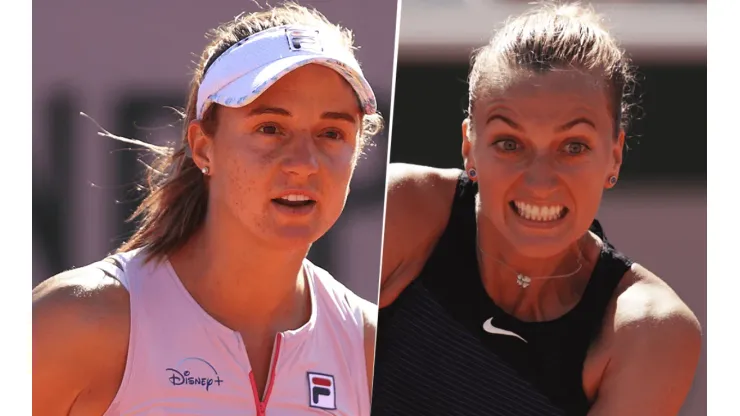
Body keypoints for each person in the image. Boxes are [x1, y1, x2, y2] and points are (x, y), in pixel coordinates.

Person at [32, 3, 383, 415]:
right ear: (203, 147)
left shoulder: (372, 348)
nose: (303, 163)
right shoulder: (75, 321)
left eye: (331, 133)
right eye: (270, 128)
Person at [372, 3, 701, 416]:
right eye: (510, 143)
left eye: (573, 147)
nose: (540, 181)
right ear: (469, 145)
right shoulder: (402, 208)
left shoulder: (650, 330)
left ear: (614, 156)